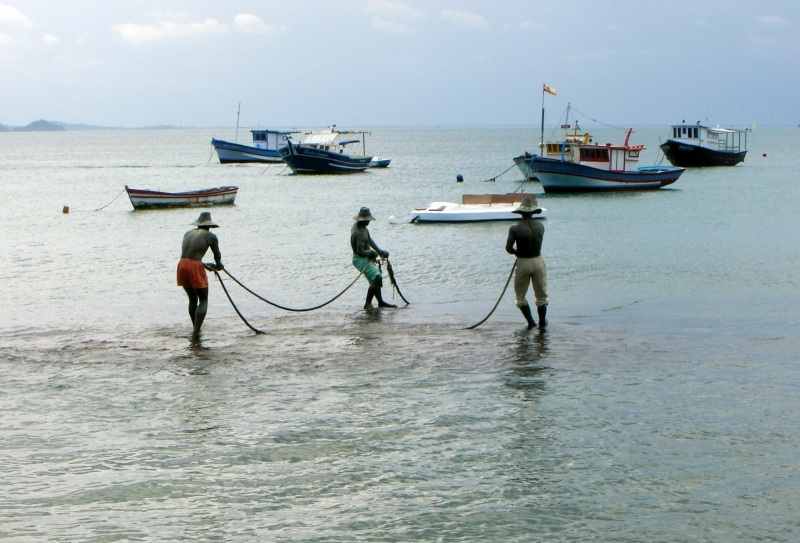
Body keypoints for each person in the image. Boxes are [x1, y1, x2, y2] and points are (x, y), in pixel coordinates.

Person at [177, 211, 223, 340]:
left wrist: (203, 264)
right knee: (203, 300)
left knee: (192, 299)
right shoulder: (211, 236)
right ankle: (196, 333)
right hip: (194, 266)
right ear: (209, 225)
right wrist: (218, 265)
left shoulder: (188, 233)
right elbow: (217, 255)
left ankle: (195, 329)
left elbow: (190, 255)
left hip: (182, 265)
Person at [505, 198, 548, 328]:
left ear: (521, 213)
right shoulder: (540, 226)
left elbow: (508, 248)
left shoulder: (515, 228)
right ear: (533, 212)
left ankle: (531, 323)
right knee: (541, 295)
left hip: (523, 261)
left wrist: (516, 252)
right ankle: (542, 322)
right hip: (538, 261)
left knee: (520, 296)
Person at [351, 207, 397, 310]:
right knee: (377, 278)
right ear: (363, 220)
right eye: (367, 220)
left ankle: (380, 302)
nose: (369, 222)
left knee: (376, 277)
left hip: (365, 256)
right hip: (359, 258)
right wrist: (372, 253)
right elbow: (360, 252)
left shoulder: (364, 227)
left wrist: (379, 251)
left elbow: (369, 239)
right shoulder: (358, 232)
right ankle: (368, 304)